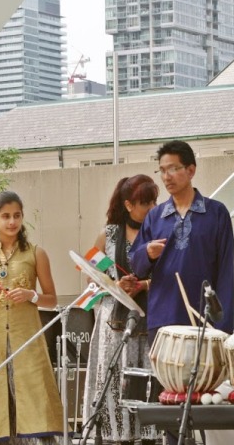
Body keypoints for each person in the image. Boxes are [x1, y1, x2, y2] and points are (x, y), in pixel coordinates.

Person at [129, 140, 234, 445]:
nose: (166, 176)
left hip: (205, 322)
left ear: (191, 170)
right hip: (163, 320)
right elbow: (137, 268)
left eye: (173, 168)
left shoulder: (216, 213)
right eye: (162, 170)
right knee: (171, 402)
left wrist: (222, 325)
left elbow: (225, 271)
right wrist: (146, 253)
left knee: (205, 400)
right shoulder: (154, 217)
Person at [0, 191, 65, 444]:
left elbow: (52, 299)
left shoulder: (36, 253)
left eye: (16, 216)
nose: (11, 222)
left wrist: (30, 295)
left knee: (32, 392)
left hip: (27, 335)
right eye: (5, 216)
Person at [82, 174, 159, 445]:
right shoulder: (108, 235)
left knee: (148, 380)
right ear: (128, 205)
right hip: (114, 325)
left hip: (151, 322)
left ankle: (148, 437)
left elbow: (173, 275)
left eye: (154, 202)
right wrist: (116, 285)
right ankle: (115, 436)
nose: (151, 208)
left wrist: (145, 284)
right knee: (114, 380)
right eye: (145, 203)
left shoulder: (160, 232)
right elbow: (91, 280)